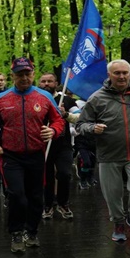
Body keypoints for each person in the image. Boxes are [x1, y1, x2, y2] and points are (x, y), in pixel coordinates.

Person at [0, 57, 66, 253]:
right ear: (12, 76)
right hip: (10, 156)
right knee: (17, 195)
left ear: (33, 74)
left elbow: (58, 121)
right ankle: (16, 232)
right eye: (19, 74)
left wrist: (53, 131)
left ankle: (32, 231)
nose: (24, 78)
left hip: (37, 155)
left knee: (36, 196)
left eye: (27, 73)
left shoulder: (45, 97)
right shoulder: (0, 99)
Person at [76, 59, 130, 242]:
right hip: (109, 154)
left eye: (125, 72)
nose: (122, 76)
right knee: (112, 193)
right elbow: (81, 124)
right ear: (109, 75)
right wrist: (92, 128)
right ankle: (118, 222)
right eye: (117, 73)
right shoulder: (97, 98)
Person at [38, 73, 79, 220]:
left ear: (56, 83)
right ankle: (47, 205)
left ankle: (63, 203)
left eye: (50, 81)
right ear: (39, 83)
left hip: (63, 145)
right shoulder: (35, 98)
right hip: (41, 145)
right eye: (43, 81)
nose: (46, 84)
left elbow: (80, 116)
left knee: (64, 174)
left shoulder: (66, 100)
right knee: (46, 176)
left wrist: (66, 114)